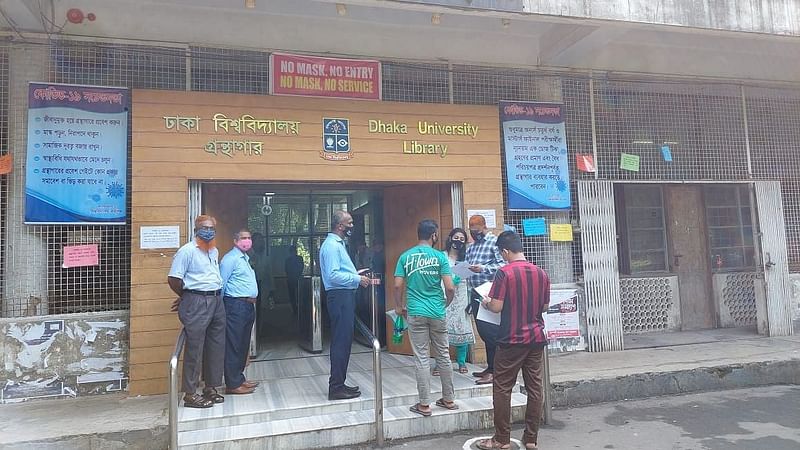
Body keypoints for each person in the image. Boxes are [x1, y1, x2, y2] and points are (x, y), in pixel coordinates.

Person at [476, 231, 550, 450]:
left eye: (501, 253)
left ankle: (501, 439)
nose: (502, 256)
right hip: (536, 338)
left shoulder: (504, 273)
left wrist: (487, 302)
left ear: (505, 251)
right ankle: (531, 439)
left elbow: (497, 307)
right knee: (535, 388)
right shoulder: (541, 273)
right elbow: (545, 307)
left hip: (511, 339)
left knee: (502, 388)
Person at [394, 219, 457, 417]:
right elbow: (449, 287)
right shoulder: (440, 257)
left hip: (416, 312)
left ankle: (424, 404)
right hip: (437, 312)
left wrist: (398, 306)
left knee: (421, 357)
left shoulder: (405, 256)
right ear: (433, 235)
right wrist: (446, 303)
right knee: (443, 356)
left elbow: (397, 285)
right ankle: (448, 399)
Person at [167, 215, 225, 409]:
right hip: (197, 301)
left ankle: (211, 386)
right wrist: (187, 295)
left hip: (216, 300)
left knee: (215, 344)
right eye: (204, 228)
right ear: (196, 229)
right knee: (195, 347)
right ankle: (190, 394)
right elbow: (174, 279)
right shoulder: (187, 251)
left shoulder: (213, 251)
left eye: (211, 228)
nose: (208, 231)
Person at [319, 210, 370, 400]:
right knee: (341, 341)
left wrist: (355, 275)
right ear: (340, 226)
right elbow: (333, 275)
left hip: (343, 296)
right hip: (339, 296)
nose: (352, 226)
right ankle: (336, 387)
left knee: (345, 341)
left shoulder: (338, 244)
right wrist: (357, 278)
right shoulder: (332, 246)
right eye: (349, 223)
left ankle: (339, 383)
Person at [466, 214, 505, 385]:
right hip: (475, 293)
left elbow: (503, 266)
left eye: (477, 231)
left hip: (489, 292)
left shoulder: (493, 242)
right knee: (482, 332)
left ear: (484, 226)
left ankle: (496, 371)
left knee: (491, 332)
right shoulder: (473, 246)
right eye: (472, 232)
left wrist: (482, 269)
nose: (475, 234)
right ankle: (490, 368)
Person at [220, 228, 259, 395]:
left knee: (243, 344)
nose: (247, 241)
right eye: (243, 238)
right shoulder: (230, 259)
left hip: (247, 305)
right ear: (235, 241)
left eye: (249, 238)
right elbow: (221, 283)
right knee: (234, 344)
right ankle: (232, 383)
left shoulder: (245, 259)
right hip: (235, 305)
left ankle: (239, 378)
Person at [433, 228, 475, 375]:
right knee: (442, 329)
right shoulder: (441, 256)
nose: (458, 241)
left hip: (461, 296)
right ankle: (440, 363)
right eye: (456, 237)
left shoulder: (466, 259)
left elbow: (471, 280)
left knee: (461, 327)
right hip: (444, 295)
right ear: (450, 238)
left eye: (462, 239)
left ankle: (461, 361)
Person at [250, 232, 275, 309]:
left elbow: (269, 274)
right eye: (259, 240)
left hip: (263, 286)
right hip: (251, 287)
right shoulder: (248, 256)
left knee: (262, 308)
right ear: (253, 242)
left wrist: (272, 289)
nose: (261, 243)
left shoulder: (266, 258)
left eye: (262, 240)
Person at [285, 245, 305, 316]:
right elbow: (287, 270)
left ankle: (299, 309)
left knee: (298, 295)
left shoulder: (298, 258)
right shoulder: (289, 260)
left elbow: (301, 267)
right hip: (292, 279)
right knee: (293, 296)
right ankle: (295, 310)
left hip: (297, 279)